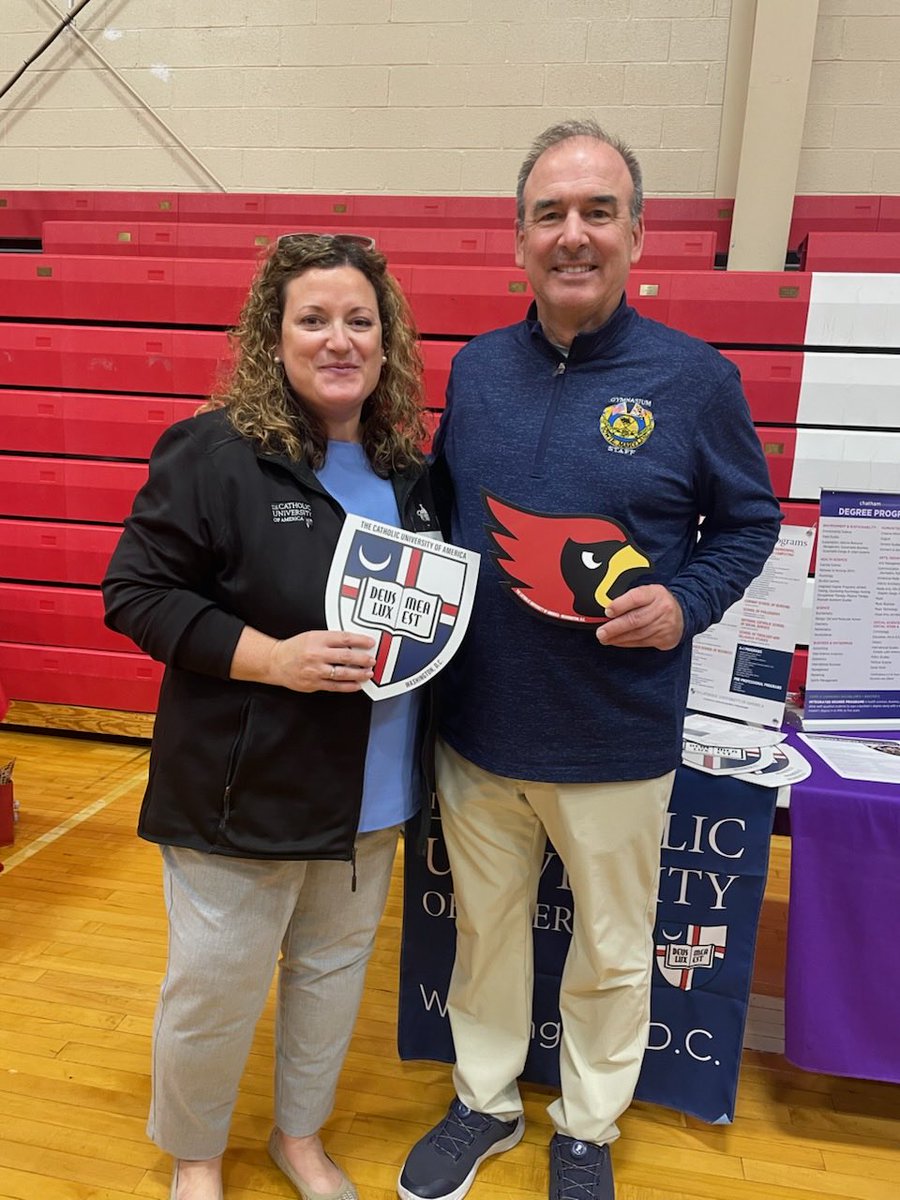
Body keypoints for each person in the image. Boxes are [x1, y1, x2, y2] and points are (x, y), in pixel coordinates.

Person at [398, 120, 783, 1200]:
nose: (574, 235)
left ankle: (587, 1126)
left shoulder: (695, 379)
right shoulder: (475, 370)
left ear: (637, 235)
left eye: (597, 212)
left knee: (614, 953)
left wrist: (687, 598)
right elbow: (439, 516)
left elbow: (748, 525)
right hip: (479, 729)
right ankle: (481, 1105)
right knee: (485, 937)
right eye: (550, 214)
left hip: (617, 734)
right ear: (517, 242)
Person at [103, 233, 440, 1200]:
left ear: (387, 339)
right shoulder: (215, 450)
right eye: (314, 319)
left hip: (372, 796)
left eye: (360, 321)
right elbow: (135, 592)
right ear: (274, 334)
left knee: (331, 983)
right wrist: (272, 659)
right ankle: (197, 1156)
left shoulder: (408, 465)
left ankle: (300, 1137)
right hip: (239, 791)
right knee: (215, 993)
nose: (340, 340)